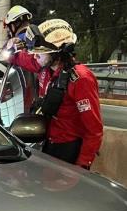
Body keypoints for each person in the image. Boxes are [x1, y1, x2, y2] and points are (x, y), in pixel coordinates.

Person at [11, 19, 102, 169]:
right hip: (47, 144)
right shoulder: (45, 68)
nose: (35, 57)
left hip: (68, 149)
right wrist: (11, 49)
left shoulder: (81, 79)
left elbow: (94, 130)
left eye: (40, 53)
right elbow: (24, 59)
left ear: (57, 52)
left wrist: (83, 164)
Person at [0, 5, 33, 81]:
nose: (8, 30)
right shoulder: (38, 38)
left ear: (15, 24)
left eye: (8, 26)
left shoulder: (14, 43)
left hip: (22, 90)